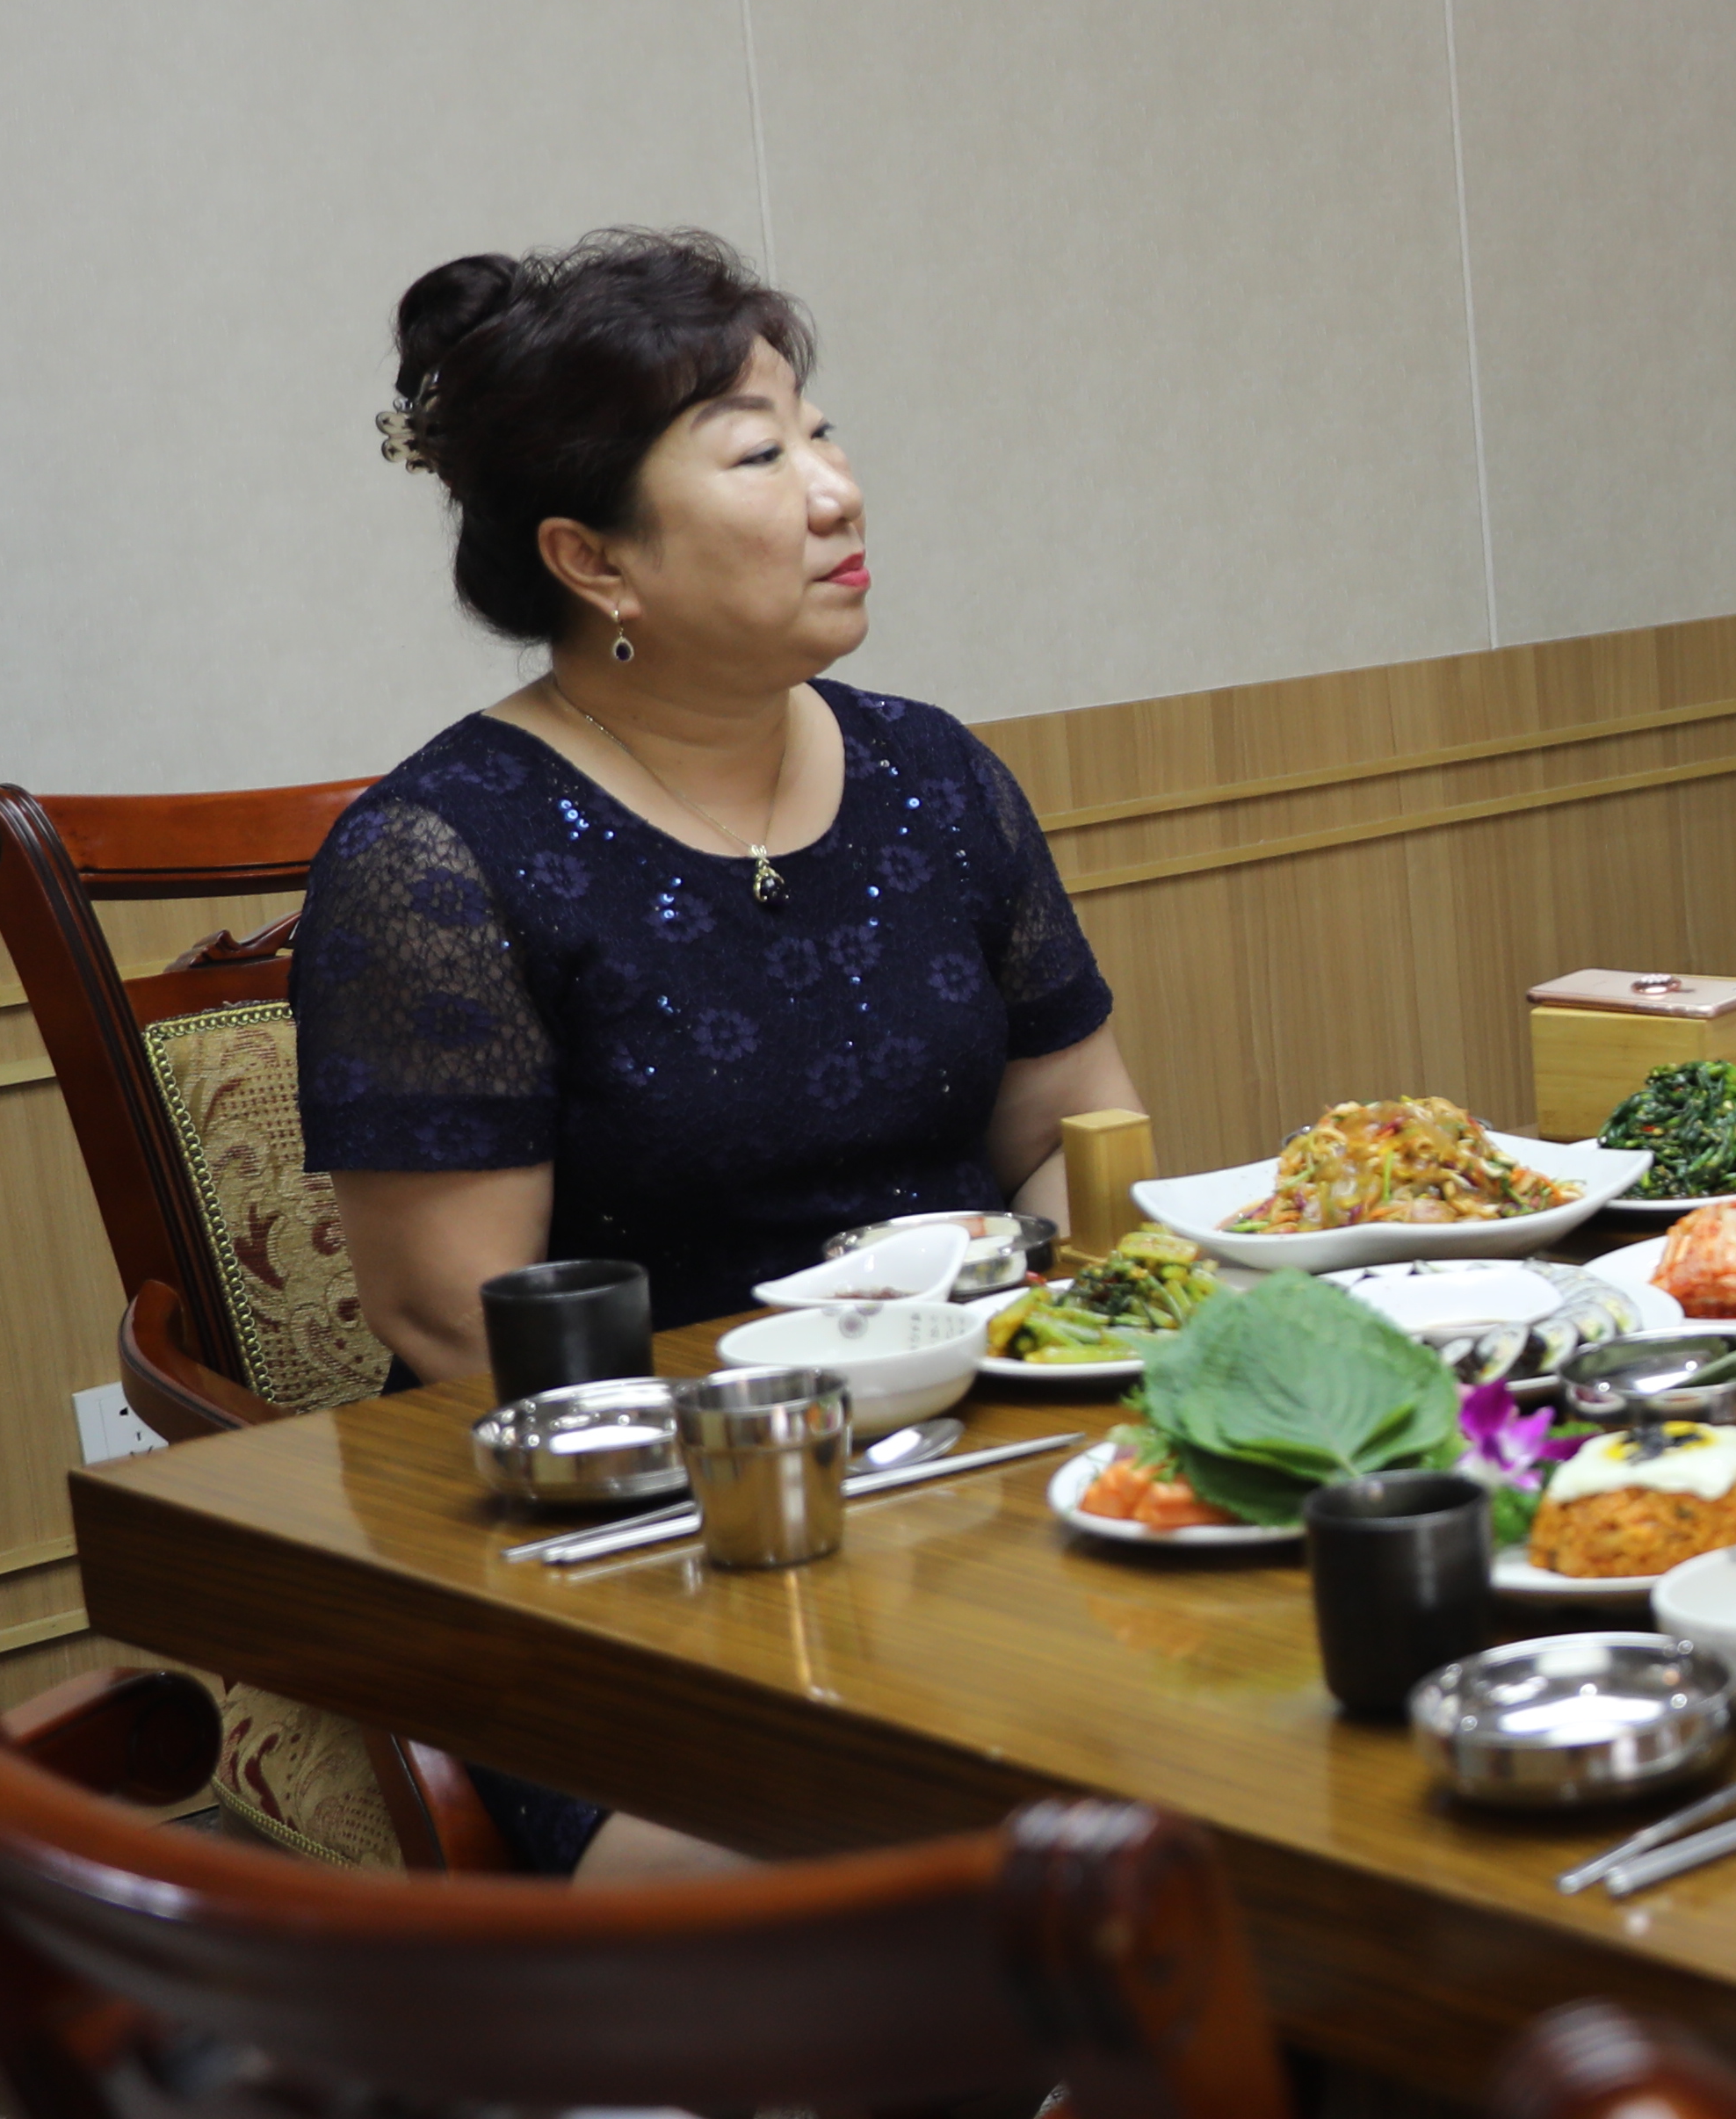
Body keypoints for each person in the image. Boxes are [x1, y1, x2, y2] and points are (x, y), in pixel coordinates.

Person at [307, 232, 1138, 1370]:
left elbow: (1073, 1144)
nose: (839, 494)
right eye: (761, 456)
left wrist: (1047, 1355)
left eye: (820, 432)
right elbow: (460, 1321)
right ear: (595, 562)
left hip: (975, 1408)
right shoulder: (438, 858)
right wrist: (793, 1425)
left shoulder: (932, 773)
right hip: (664, 1453)